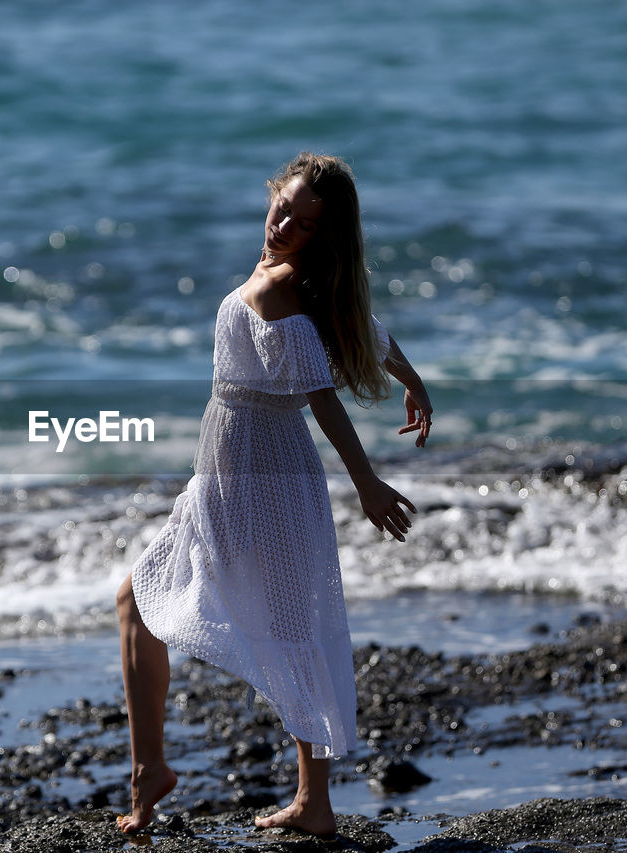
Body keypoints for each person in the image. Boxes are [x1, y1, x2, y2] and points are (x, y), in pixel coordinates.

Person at [114, 152, 433, 837]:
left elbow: (321, 396)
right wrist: (411, 377)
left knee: (286, 626)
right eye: (282, 205)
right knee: (189, 610)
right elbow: (361, 330)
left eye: (304, 221)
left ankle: (186, 780)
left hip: (264, 475)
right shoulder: (303, 282)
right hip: (229, 469)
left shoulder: (279, 288)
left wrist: (367, 481)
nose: (283, 224)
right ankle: (176, 775)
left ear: (326, 235)